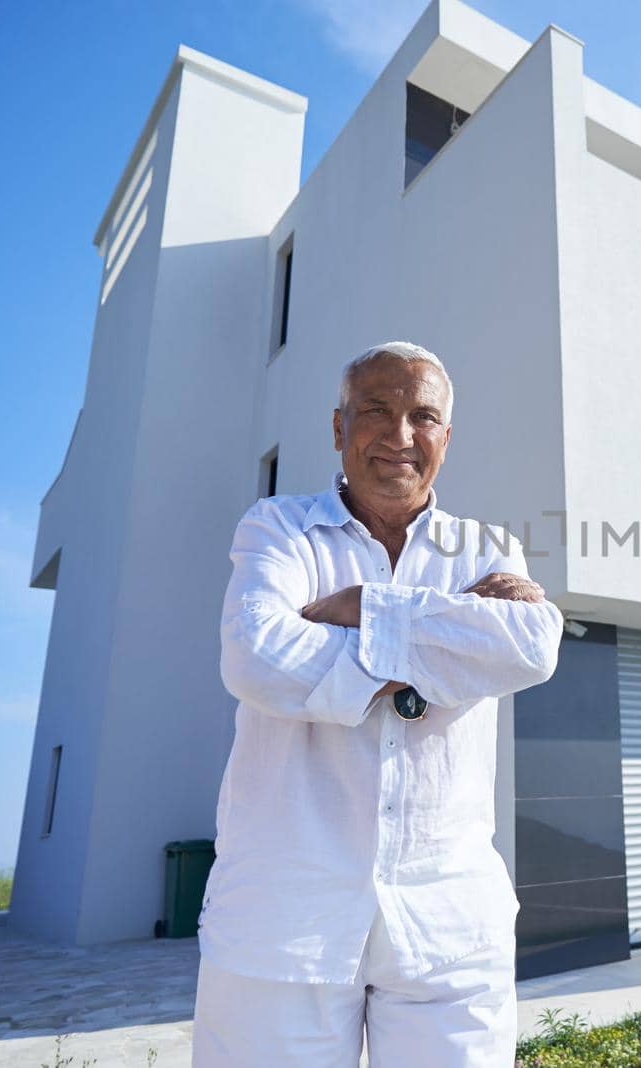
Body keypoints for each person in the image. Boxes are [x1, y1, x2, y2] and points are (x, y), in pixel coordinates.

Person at [191, 341, 564, 1066]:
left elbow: (530, 647)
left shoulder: (489, 547)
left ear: (445, 440)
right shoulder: (277, 530)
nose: (400, 436)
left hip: (449, 927)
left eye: (423, 416)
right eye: (376, 411)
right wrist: (451, 633)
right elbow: (257, 656)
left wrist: (363, 607)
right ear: (338, 428)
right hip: (283, 921)